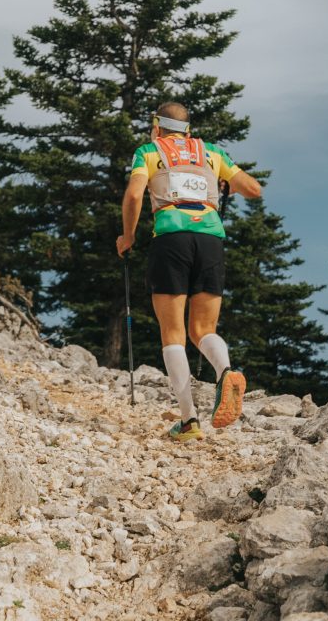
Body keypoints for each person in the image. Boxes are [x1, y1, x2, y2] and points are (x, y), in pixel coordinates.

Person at [116, 102, 262, 442]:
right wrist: (225, 184)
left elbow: (134, 195)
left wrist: (128, 237)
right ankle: (225, 370)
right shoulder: (212, 153)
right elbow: (254, 189)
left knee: (173, 333)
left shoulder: (148, 152)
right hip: (210, 240)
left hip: (171, 240)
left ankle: (188, 421)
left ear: (157, 127)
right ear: (188, 131)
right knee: (203, 329)